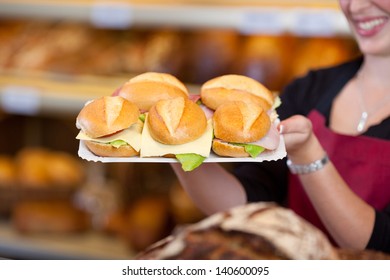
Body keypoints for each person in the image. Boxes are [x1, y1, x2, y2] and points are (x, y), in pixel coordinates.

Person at [171, 0, 390, 253]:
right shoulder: (310, 88)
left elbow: (381, 245)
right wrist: (179, 146)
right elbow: (247, 204)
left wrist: (309, 157)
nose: (356, 6)